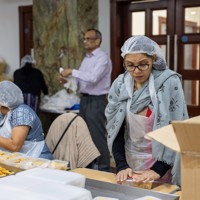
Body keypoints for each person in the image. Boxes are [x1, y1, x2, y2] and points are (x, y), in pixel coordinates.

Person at [105, 35, 188, 186]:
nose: (136, 71)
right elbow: (115, 129)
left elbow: (176, 131)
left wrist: (158, 169)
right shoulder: (121, 85)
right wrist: (122, 165)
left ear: (154, 60)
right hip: (131, 160)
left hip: (162, 161)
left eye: (143, 64)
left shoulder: (168, 83)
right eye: (130, 65)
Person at [60, 28, 112, 172]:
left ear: (97, 41)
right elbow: (80, 81)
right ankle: (89, 165)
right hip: (85, 100)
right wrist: (67, 81)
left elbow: (93, 78)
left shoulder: (102, 58)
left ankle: (103, 167)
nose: (85, 41)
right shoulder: (87, 58)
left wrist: (72, 71)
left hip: (97, 101)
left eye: (89, 39)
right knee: (84, 134)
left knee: (97, 135)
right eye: (84, 38)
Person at [0, 80, 53, 159]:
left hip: (37, 160)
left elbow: (15, 146)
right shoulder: (3, 114)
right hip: (18, 160)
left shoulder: (22, 113)